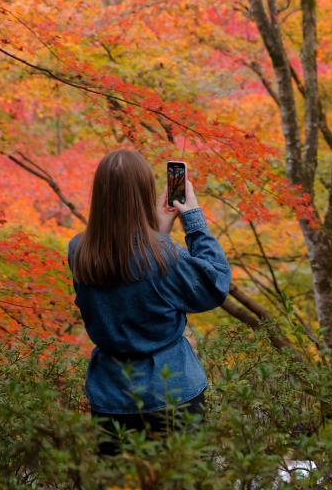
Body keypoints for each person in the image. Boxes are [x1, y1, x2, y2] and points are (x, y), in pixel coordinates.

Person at [67, 149, 231, 456]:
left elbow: (127, 269)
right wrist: (192, 218)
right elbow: (215, 283)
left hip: (112, 396)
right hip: (173, 392)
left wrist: (156, 232)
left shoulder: (78, 250)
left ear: (99, 194)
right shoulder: (163, 257)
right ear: (144, 192)